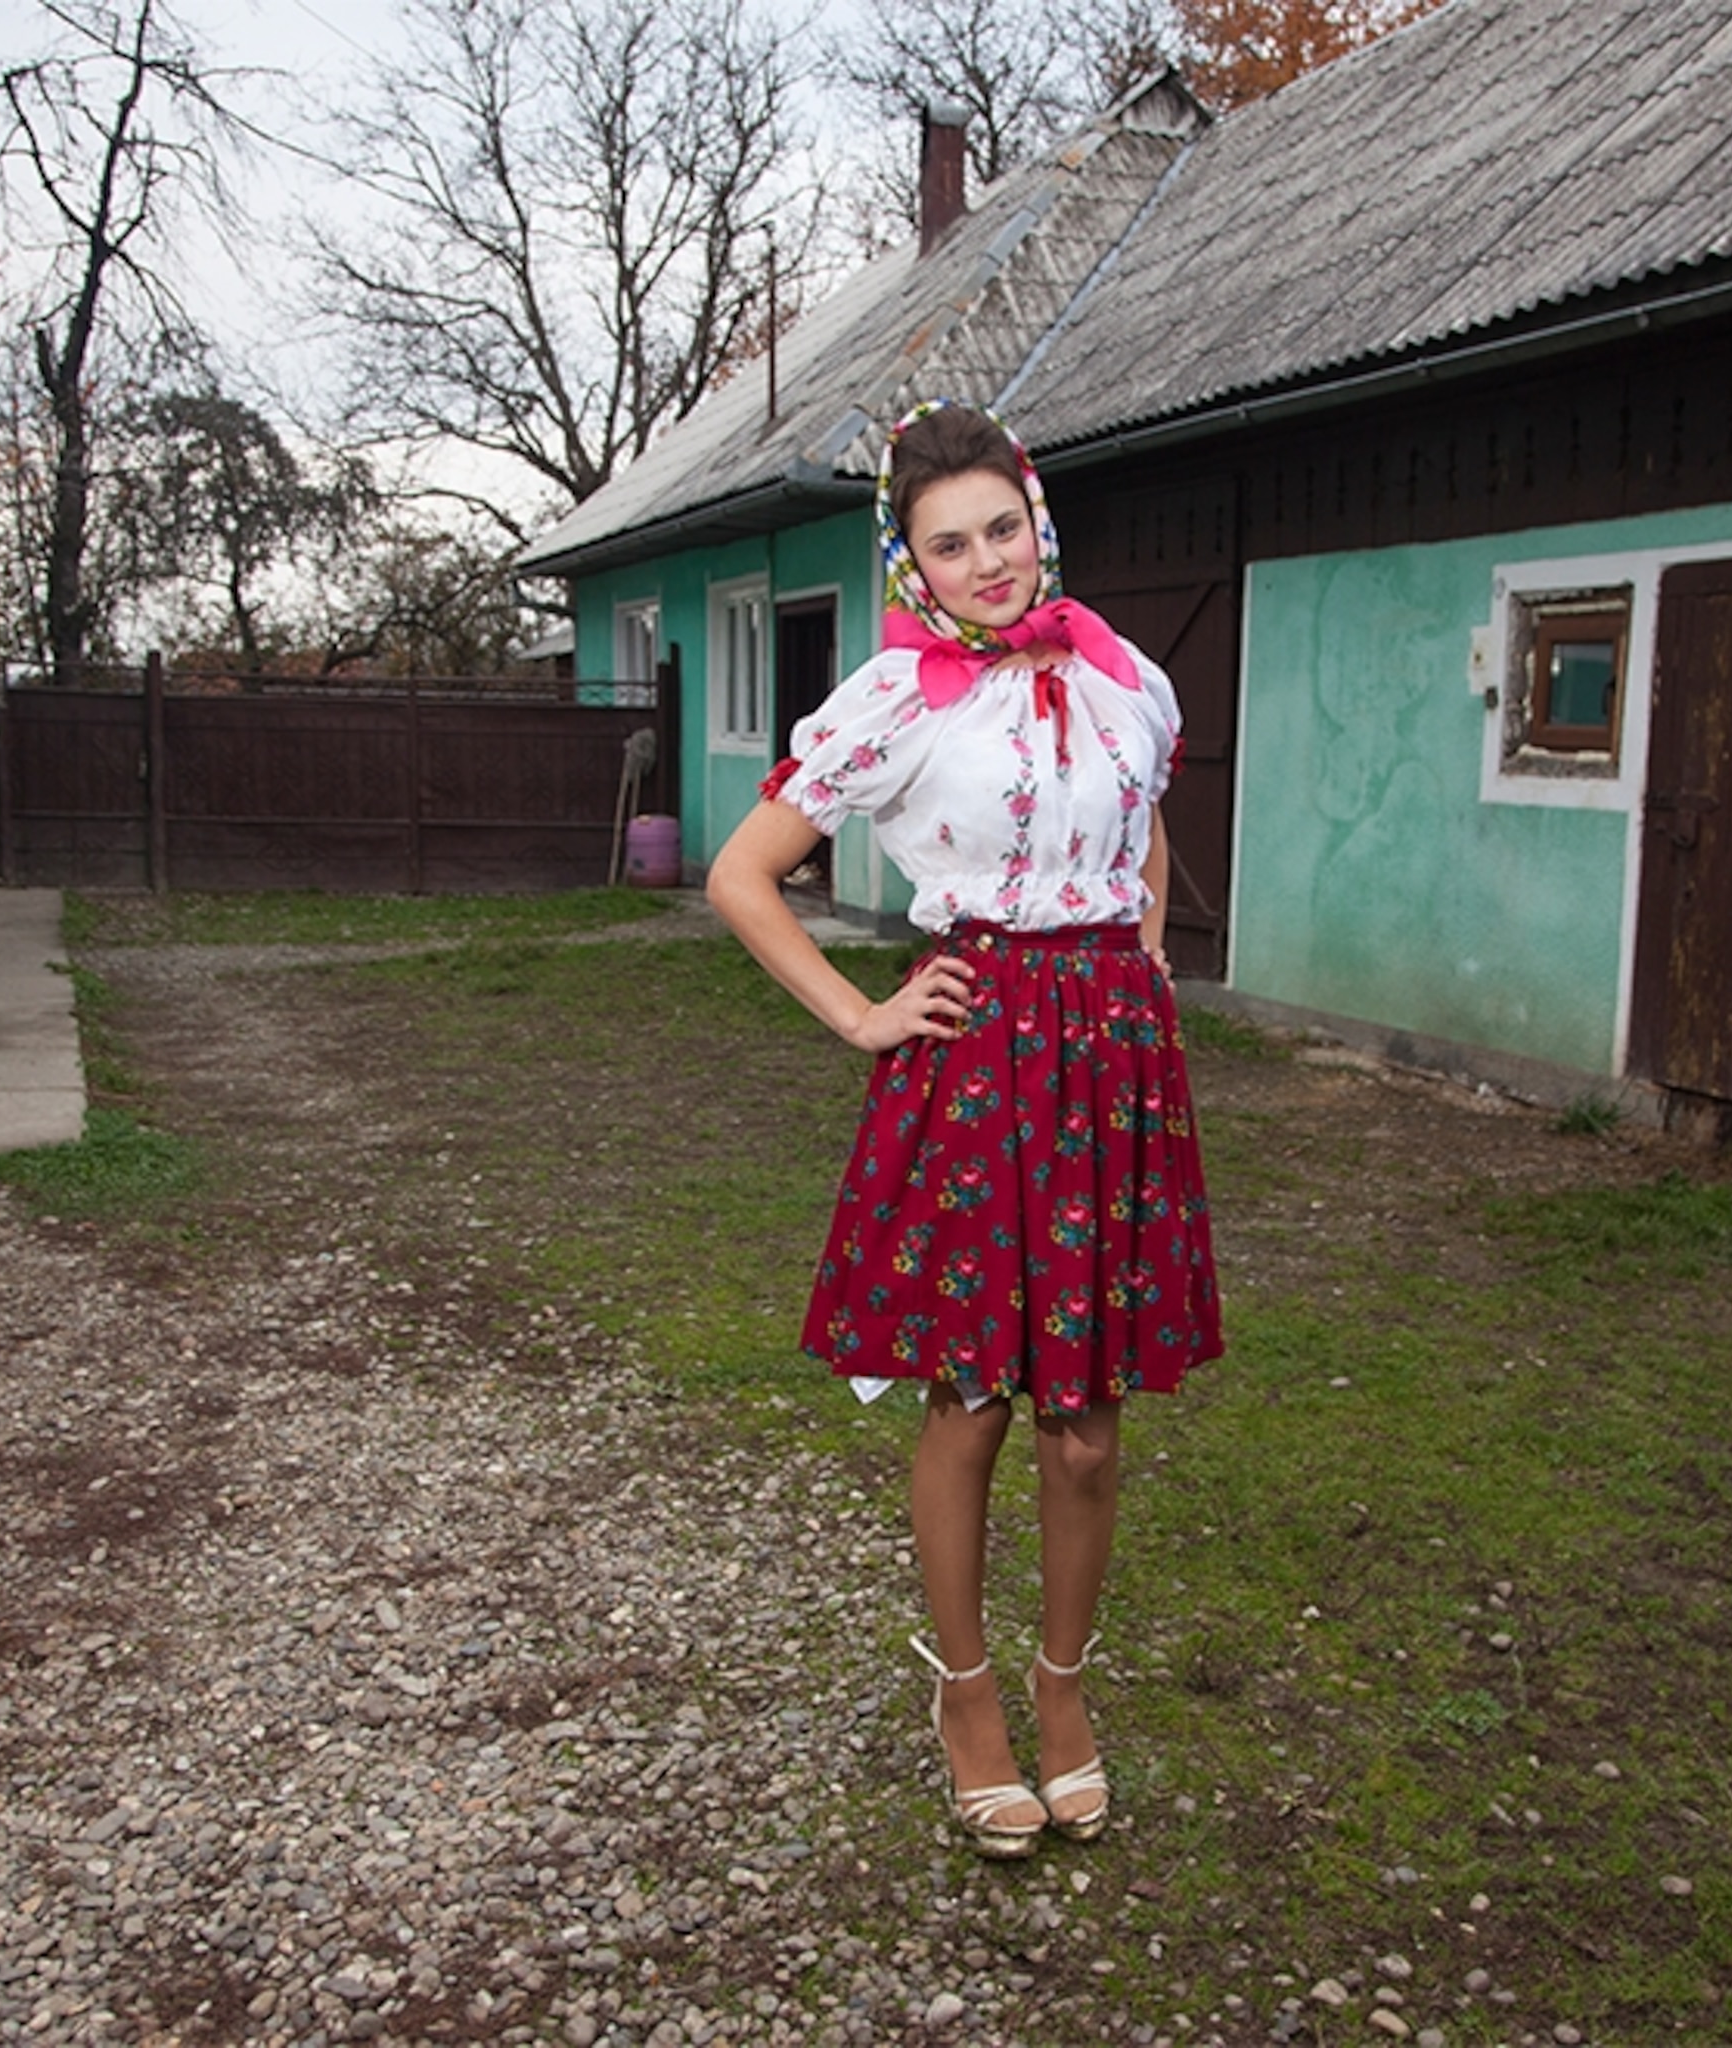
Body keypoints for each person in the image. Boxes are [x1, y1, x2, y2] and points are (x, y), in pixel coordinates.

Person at [706, 400, 1224, 1859]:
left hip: (1111, 1058)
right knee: (978, 1400)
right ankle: (970, 1697)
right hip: (982, 1058)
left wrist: (1150, 948)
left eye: (1005, 528)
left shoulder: (1129, 678)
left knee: (1090, 1432)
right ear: (911, 566)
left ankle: (1067, 1692)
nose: (989, 562)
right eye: (953, 544)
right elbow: (746, 877)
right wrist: (862, 1014)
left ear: (1037, 520)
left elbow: (1144, 821)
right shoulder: (899, 700)